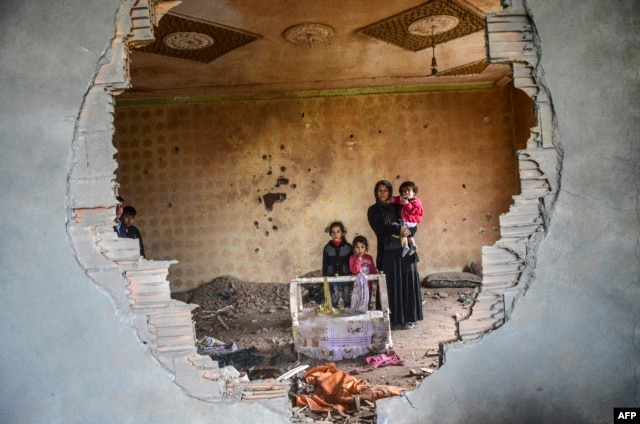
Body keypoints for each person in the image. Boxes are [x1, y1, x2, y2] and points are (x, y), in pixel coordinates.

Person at [367, 180, 423, 329]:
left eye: (386, 190)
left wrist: (408, 231)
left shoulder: (399, 205)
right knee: (390, 284)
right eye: (379, 190)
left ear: (390, 191)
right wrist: (397, 229)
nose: (383, 193)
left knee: (408, 283)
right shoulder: (373, 210)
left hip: (406, 252)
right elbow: (379, 229)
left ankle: (409, 318)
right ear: (376, 192)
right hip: (388, 252)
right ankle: (390, 319)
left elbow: (413, 222)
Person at [322, 221, 353, 309]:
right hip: (332, 276)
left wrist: (352, 277)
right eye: (333, 232)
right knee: (334, 293)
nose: (335, 234)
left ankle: (347, 309)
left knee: (346, 293)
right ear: (330, 234)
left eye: (338, 231)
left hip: (346, 275)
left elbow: (351, 262)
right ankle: (334, 310)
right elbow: (325, 263)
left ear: (342, 232)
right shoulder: (327, 248)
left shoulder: (348, 247)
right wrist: (325, 277)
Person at [347, 235, 378, 313]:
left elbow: (373, 270)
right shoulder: (352, 258)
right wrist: (358, 260)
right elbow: (354, 271)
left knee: (367, 303)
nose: (360, 249)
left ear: (366, 248)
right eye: (357, 247)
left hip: (368, 286)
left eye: (362, 247)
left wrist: (375, 279)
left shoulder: (369, 258)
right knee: (357, 304)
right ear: (354, 248)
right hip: (357, 287)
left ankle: (366, 320)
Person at [392, 181, 423, 257]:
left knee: (403, 233)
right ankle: (413, 245)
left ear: (414, 192)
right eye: (404, 191)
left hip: (410, 221)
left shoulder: (416, 201)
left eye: (408, 190)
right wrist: (391, 199)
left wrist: (407, 204)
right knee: (409, 236)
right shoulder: (403, 199)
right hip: (406, 221)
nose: (406, 193)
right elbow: (396, 199)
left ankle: (405, 246)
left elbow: (416, 211)